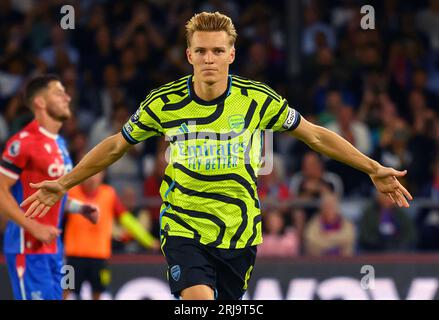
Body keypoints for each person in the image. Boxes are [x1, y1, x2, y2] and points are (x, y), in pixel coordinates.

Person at [21, 12, 413, 300]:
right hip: (183, 226)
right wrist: (65, 182)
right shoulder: (165, 103)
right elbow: (116, 144)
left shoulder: (257, 99)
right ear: (189, 55)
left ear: (231, 55)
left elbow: (316, 136)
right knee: (198, 303)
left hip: (239, 232)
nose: (209, 58)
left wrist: (372, 167)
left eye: (217, 51)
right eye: (201, 51)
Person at [0, 74, 98, 300]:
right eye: (58, 92)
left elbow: (51, 196)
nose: (67, 97)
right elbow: (1, 191)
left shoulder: (60, 143)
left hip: (55, 247)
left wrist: (79, 208)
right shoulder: (22, 142)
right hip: (28, 246)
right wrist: (34, 227)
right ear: (40, 102)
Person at [63, 171, 159, 300]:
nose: (92, 178)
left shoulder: (108, 194)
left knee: (98, 293)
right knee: (65, 291)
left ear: (102, 175)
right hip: (73, 255)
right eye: (89, 174)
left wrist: (148, 241)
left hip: (99, 256)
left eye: (96, 174)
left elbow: (127, 220)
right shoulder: (71, 194)